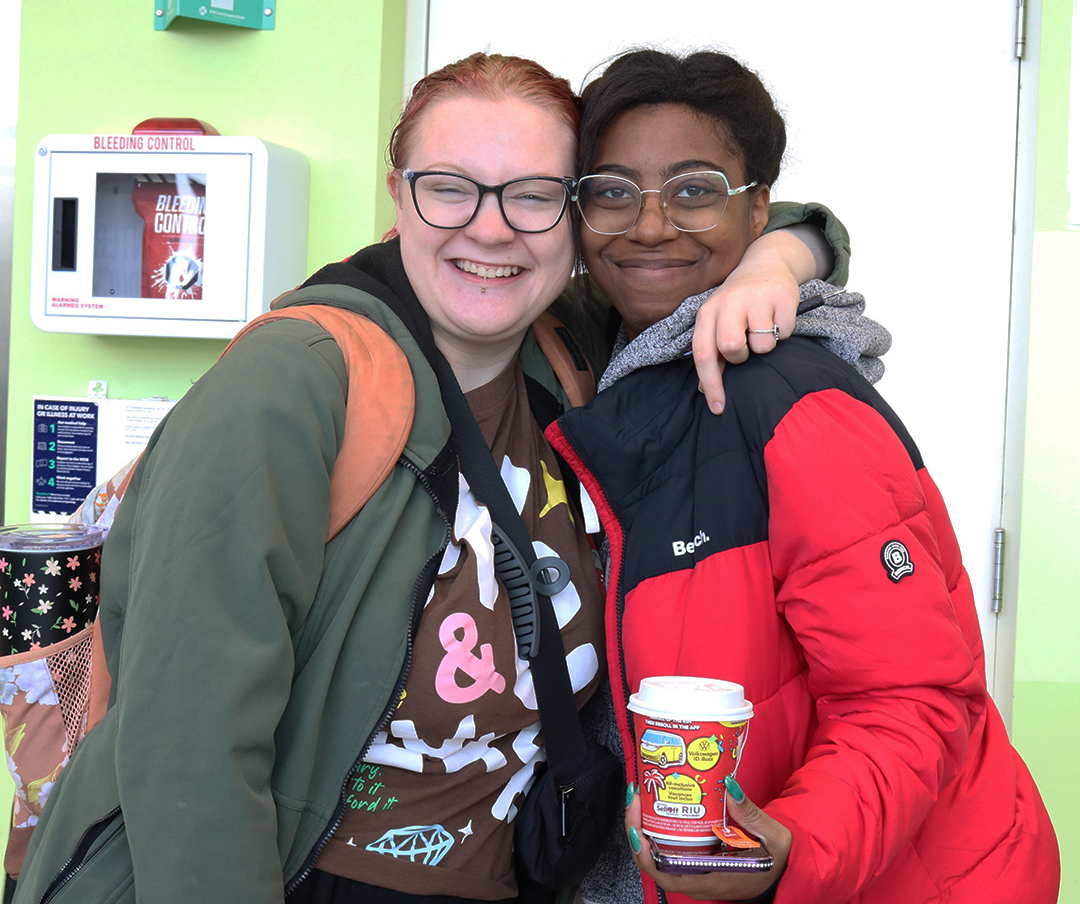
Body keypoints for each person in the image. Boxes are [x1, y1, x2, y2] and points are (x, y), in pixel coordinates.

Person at [9, 53, 851, 904]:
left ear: (577, 218)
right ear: (397, 193)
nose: (490, 230)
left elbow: (722, 224)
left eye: (531, 194)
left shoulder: (569, 356)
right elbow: (188, 745)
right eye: (449, 187)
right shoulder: (295, 383)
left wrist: (776, 261)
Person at [548, 48, 1060, 904]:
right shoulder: (610, 365)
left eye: (694, 189)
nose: (647, 224)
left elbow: (914, 701)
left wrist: (788, 847)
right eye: (611, 190)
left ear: (757, 212)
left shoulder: (796, 402)